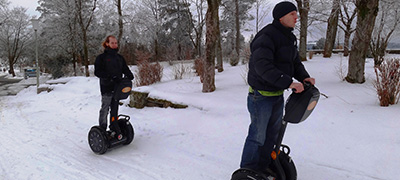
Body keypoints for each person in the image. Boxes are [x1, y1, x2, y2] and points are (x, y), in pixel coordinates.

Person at [239, 1, 315, 175]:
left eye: (296, 14)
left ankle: (263, 167)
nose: (297, 18)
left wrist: (304, 77)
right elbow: (262, 67)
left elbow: (294, 61)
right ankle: (247, 171)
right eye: (292, 14)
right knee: (258, 137)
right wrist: (289, 82)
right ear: (281, 17)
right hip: (261, 97)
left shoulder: (288, 37)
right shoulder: (267, 36)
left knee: (272, 136)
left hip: (276, 95)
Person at [94, 35, 134, 140]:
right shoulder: (101, 58)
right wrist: (110, 77)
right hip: (106, 87)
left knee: (115, 109)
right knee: (105, 108)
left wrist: (129, 74)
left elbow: (125, 68)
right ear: (107, 43)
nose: (115, 45)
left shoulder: (119, 58)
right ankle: (102, 130)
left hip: (118, 88)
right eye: (112, 43)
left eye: (116, 43)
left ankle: (114, 127)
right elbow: (97, 72)